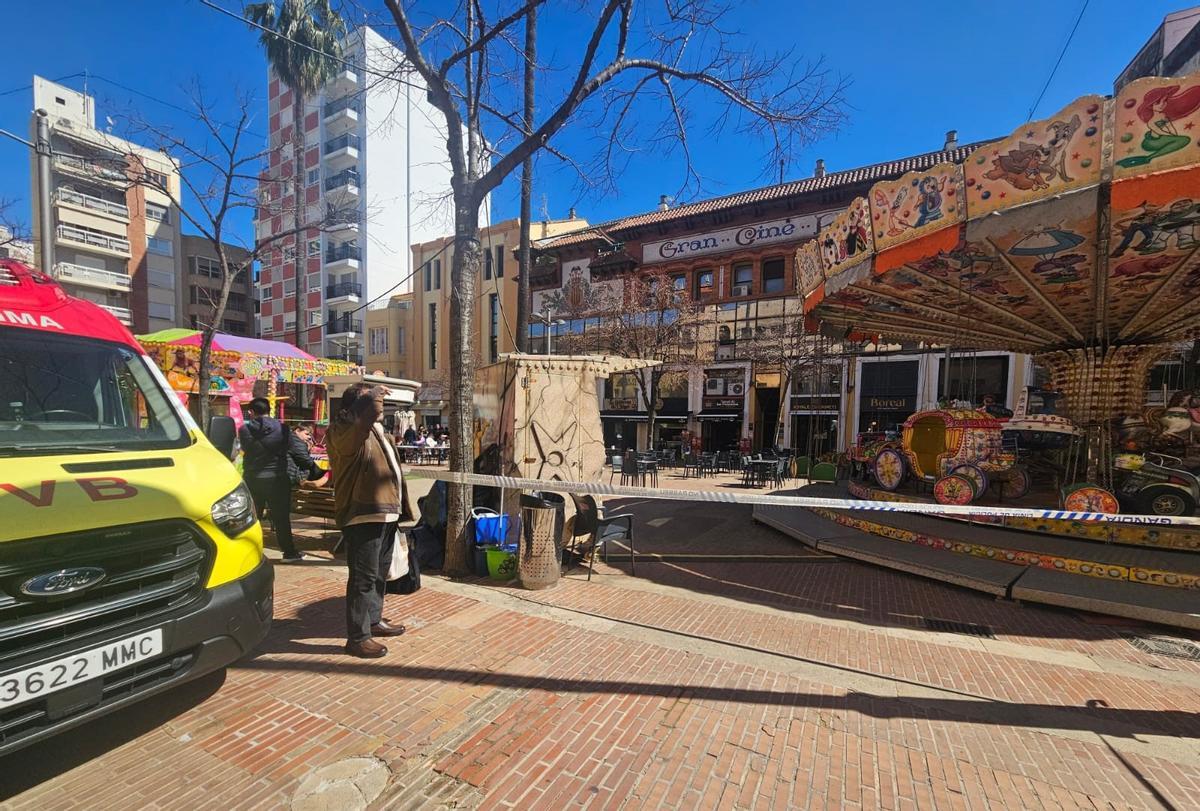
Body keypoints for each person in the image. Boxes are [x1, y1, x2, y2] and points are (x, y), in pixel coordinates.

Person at [327, 383, 413, 658]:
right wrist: (373, 394)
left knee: (378, 574)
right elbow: (366, 415)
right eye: (371, 403)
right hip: (363, 514)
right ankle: (358, 637)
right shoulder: (344, 431)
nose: (379, 407)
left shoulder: (375, 430)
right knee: (363, 578)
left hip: (385, 512)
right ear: (355, 408)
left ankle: (373, 620)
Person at [239, 398, 304, 562]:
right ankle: (289, 553)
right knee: (281, 517)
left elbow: (246, 448)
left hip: (253, 477)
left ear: (251, 412)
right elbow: (291, 448)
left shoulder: (244, 429)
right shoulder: (283, 428)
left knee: (253, 517)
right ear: (270, 410)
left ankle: (249, 553)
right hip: (277, 478)